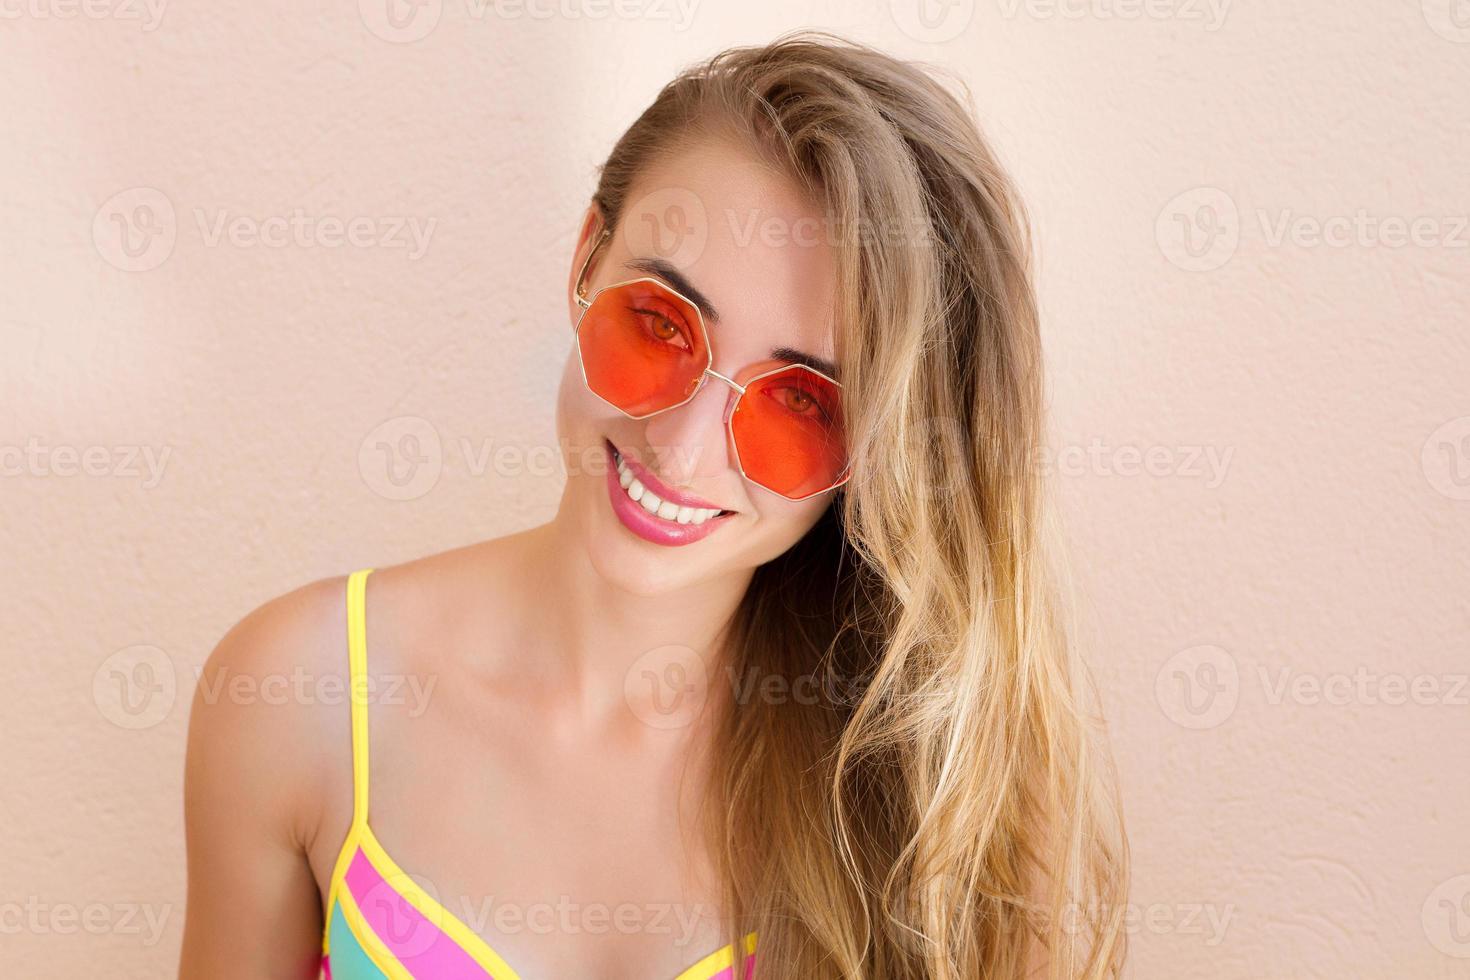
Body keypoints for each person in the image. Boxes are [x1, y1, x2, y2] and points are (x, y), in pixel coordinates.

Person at [179, 30, 1128, 980]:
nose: (679, 447)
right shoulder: (295, 694)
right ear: (588, 256)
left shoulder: (954, 797)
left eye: (802, 400)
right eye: (661, 323)